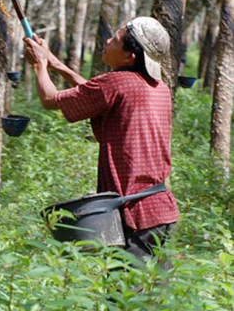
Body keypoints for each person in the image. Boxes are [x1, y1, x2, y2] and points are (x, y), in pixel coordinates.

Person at [23, 17, 179, 263]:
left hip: (134, 215)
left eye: (115, 39)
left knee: (125, 297)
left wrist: (39, 65)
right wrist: (56, 65)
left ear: (130, 57)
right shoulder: (158, 88)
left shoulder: (115, 83)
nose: (107, 41)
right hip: (161, 210)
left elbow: (50, 100)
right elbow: (95, 94)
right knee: (155, 295)